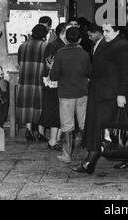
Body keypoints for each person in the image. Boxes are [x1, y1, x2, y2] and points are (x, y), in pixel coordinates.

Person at [73, 23, 128, 174]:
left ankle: (89, 162)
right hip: (103, 92)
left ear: (117, 31)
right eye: (103, 31)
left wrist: (121, 94)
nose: (105, 33)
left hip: (112, 94)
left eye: (108, 31)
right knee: (110, 125)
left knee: (101, 127)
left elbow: (127, 72)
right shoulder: (109, 43)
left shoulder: (123, 46)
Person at [50, 27, 91, 164]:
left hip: (66, 94)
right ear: (80, 39)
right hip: (82, 93)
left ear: (66, 39)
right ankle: (88, 153)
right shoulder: (84, 54)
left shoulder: (60, 54)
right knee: (85, 124)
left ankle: (67, 155)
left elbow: (54, 76)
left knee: (67, 126)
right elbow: (89, 72)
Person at [17, 24, 48, 142]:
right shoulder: (46, 46)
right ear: (44, 35)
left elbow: (20, 63)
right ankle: (40, 133)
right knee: (40, 105)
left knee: (27, 104)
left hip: (25, 80)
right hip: (40, 80)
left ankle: (29, 130)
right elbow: (49, 64)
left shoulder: (22, 46)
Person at [39, 22, 68, 151]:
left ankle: (55, 140)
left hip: (61, 82)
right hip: (53, 83)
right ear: (62, 32)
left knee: (60, 112)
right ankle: (53, 140)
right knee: (56, 112)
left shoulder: (64, 45)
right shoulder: (53, 45)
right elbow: (49, 63)